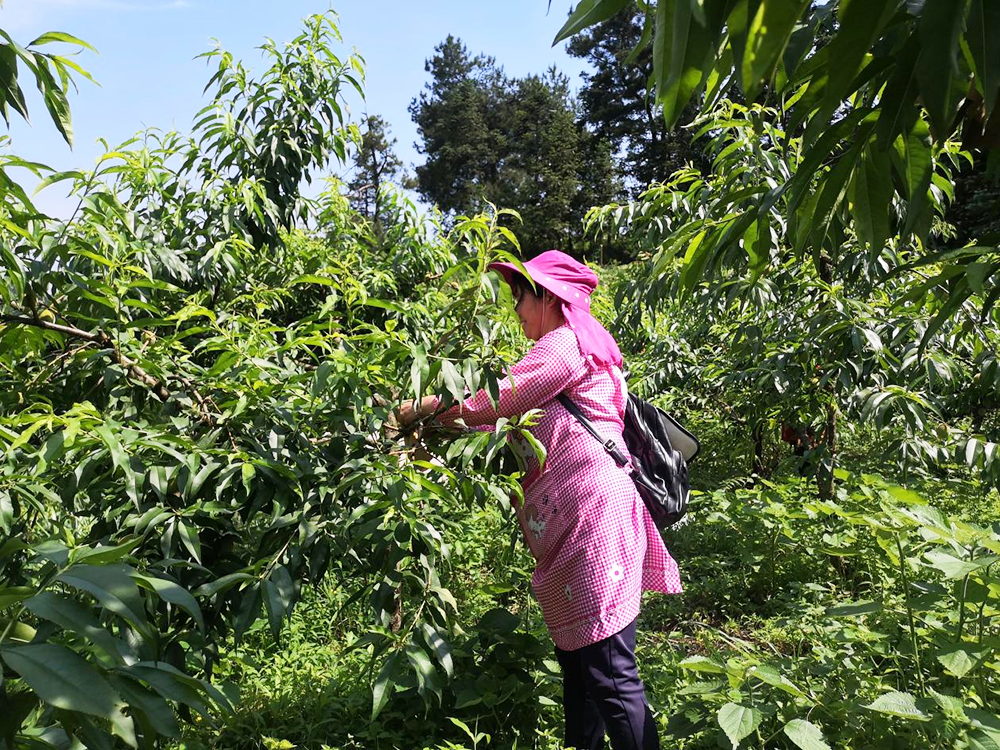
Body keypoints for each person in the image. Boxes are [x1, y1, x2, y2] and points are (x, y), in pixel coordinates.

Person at [398, 250, 682, 750]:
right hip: (575, 526)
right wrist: (430, 428)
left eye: (521, 297)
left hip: (593, 520)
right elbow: (495, 420)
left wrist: (417, 410)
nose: (516, 310)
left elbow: (498, 398)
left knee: (610, 675)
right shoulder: (571, 348)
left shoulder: (565, 344)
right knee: (583, 673)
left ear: (550, 297)